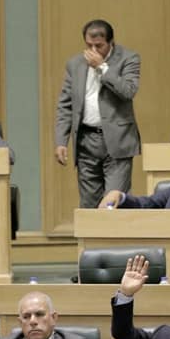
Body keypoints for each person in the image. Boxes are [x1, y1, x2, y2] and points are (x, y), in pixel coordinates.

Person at [54, 19, 140, 209]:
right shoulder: (75, 64)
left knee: (113, 202)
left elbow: (128, 91)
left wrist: (102, 67)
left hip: (117, 140)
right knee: (89, 204)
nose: (93, 50)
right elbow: (65, 105)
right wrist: (61, 141)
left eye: (99, 46)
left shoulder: (128, 58)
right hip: (86, 141)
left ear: (111, 42)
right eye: (89, 45)